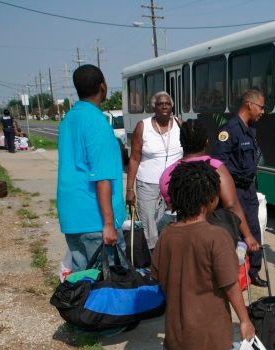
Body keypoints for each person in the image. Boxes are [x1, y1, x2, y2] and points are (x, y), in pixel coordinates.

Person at [152, 161, 255, 350]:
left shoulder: (167, 235)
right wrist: (244, 320)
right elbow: (230, 284)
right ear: (210, 199)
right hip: (210, 328)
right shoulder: (216, 237)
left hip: (176, 324)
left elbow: (158, 276)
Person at [57, 64, 126, 271]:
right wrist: (108, 224)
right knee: (109, 288)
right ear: (102, 86)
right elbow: (101, 177)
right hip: (95, 220)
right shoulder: (97, 122)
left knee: (84, 283)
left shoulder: (69, 119)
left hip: (72, 217)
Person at [159, 118, 259, 252]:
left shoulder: (168, 173)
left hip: (182, 238)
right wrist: (248, 236)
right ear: (207, 141)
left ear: (181, 142)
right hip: (217, 236)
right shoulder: (217, 168)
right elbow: (232, 204)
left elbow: (171, 207)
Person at [211, 89, 268, 287]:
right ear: (249, 104)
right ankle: (232, 274)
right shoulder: (230, 130)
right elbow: (218, 165)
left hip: (249, 188)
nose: (262, 111)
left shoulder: (251, 129)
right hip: (234, 191)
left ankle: (254, 271)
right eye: (261, 107)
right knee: (232, 233)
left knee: (254, 229)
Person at [126, 91, 183, 250]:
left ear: (172, 106)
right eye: (160, 104)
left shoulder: (179, 124)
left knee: (174, 221)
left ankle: (170, 253)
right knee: (149, 224)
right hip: (148, 185)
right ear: (154, 107)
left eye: (167, 103)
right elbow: (134, 158)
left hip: (173, 184)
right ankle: (153, 259)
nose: (164, 106)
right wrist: (130, 188)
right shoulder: (143, 127)